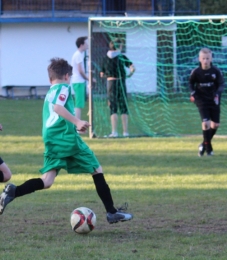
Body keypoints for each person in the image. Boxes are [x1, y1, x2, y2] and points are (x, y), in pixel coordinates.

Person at [0, 58, 133, 224]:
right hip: (65, 139)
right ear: (67, 76)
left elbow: (55, 114)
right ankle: (112, 212)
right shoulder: (64, 87)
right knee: (96, 169)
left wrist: (74, 127)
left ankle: (13, 191)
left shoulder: (50, 92)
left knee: (47, 181)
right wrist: (77, 122)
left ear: (50, 79)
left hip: (52, 138)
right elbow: (58, 108)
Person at [189, 48, 225, 156]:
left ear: (211, 59)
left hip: (214, 99)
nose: (205, 61)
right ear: (200, 59)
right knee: (206, 123)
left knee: (215, 125)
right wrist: (193, 93)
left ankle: (203, 144)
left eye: (207, 58)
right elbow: (191, 83)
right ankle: (209, 149)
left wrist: (217, 93)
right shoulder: (196, 72)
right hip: (201, 100)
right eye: (203, 58)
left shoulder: (216, 71)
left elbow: (221, 84)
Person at [100, 39, 135, 138]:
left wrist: (106, 74)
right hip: (121, 82)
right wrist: (130, 74)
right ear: (119, 46)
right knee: (123, 107)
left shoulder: (105, 58)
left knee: (113, 107)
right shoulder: (122, 57)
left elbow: (102, 74)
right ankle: (125, 132)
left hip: (111, 83)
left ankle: (114, 132)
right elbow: (133, 67)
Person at [71, 36, 88, 121]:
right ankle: (77, 124)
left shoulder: (79, 55)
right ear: (81, 45)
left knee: (80, 103)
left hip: (79, 81)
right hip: (78, 82)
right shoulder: (78, 55)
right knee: (78, 104)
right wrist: (88, 79)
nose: (87, 45)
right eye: (86, 43)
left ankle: (77, 122)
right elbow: (80, 70)